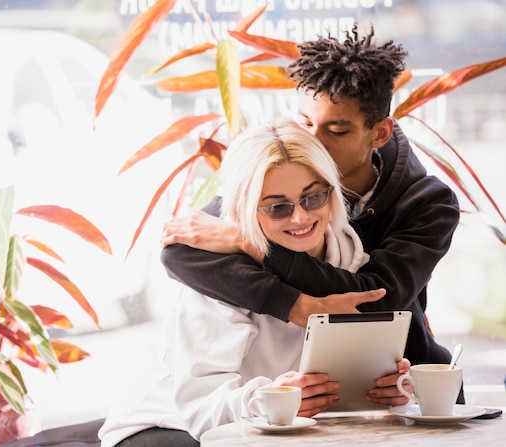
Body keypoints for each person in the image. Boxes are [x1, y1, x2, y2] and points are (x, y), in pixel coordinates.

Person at [160, 24, 461, 383]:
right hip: (309, 382)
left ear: (379, 133)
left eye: (336, 131)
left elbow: (374, 303)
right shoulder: (279, 168)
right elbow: (181, 251)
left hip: (402, 381)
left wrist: (247, 243)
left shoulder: (428, 203)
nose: (311, 141)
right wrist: (297, 306)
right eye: (304, 122)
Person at [98, 117, 411, 447]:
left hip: (265, 426)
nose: (300, 217)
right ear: (244, 208)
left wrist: (388, 389)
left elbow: (338, 396)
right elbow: (201, 410)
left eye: (313, 197)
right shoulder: (221, 275)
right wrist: (271, 399)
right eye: (277, 207)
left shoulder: (352, 265)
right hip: (163, 426)